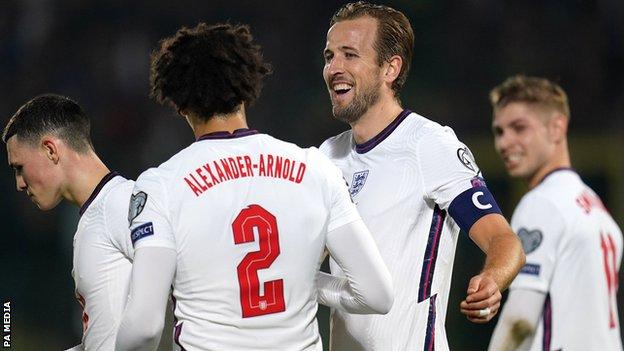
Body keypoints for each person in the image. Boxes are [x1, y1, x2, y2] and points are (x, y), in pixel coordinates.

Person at [114, 22, 393, 351]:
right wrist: (304, 280)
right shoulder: (317, 169)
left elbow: (144, 326)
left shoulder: (161, 185)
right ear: (248, 87)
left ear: (178, 104)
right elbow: (376, 294)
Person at [319, 2, 526, 350]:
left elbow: (504, 241)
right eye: (329, 56)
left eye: (350, 55)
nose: (334, 68)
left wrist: (492, 278)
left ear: (390, 68)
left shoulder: (429, 145)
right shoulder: (327, 156)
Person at [487, 75, 623, 350]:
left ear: (556, 128)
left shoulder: (542, 203)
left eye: (519, 128)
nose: (504, 143)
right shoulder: (596, 208)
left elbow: (520, 322)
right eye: (499, 131)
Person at [2, 94, 135, 350]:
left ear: (51, 150)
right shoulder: (91, 218)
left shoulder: (124, 205)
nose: (19, 183)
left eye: (19, 167)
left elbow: (155, 324)